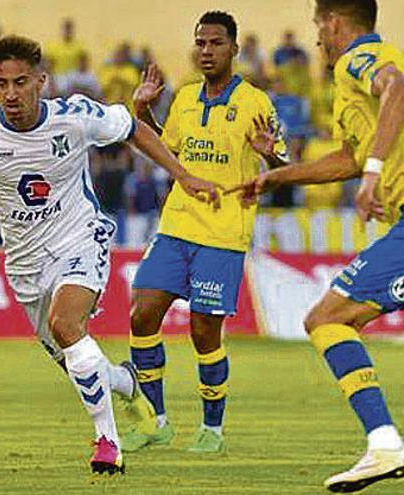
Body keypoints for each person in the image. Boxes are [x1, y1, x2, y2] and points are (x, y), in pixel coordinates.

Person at [0, 35, 221, 474]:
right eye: (1, 84)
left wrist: (182, 175)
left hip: (81, 238)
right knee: (76, 360)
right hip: (25, 266)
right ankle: (126, 382)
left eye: (21, 82)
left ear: (42, 81)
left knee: (66, 323)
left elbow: (132, 129)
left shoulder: (75, 116)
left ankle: (107, 442)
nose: (11, 93)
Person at [227, 0, 404, 491]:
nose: (316, 40)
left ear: (332, 22)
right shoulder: (354, 84)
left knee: (327, 319)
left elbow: (395, 86)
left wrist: (373, 174)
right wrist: (280, 176)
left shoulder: (360, 58)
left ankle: (385, 443)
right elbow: (350, 157)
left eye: (317, 27)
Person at [123, 11, 288, 455]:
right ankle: (156, 421)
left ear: (234, 48)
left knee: (203, 330)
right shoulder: (185, 98)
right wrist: (142, 110)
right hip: (176, 224)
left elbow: (286, 168)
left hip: (223, 232)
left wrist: (269, 156)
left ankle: (212, 429)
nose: (206, 51)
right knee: (141, 316)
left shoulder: (256, 102)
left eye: (216, 43)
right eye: (200, 43)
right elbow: (166, 147)